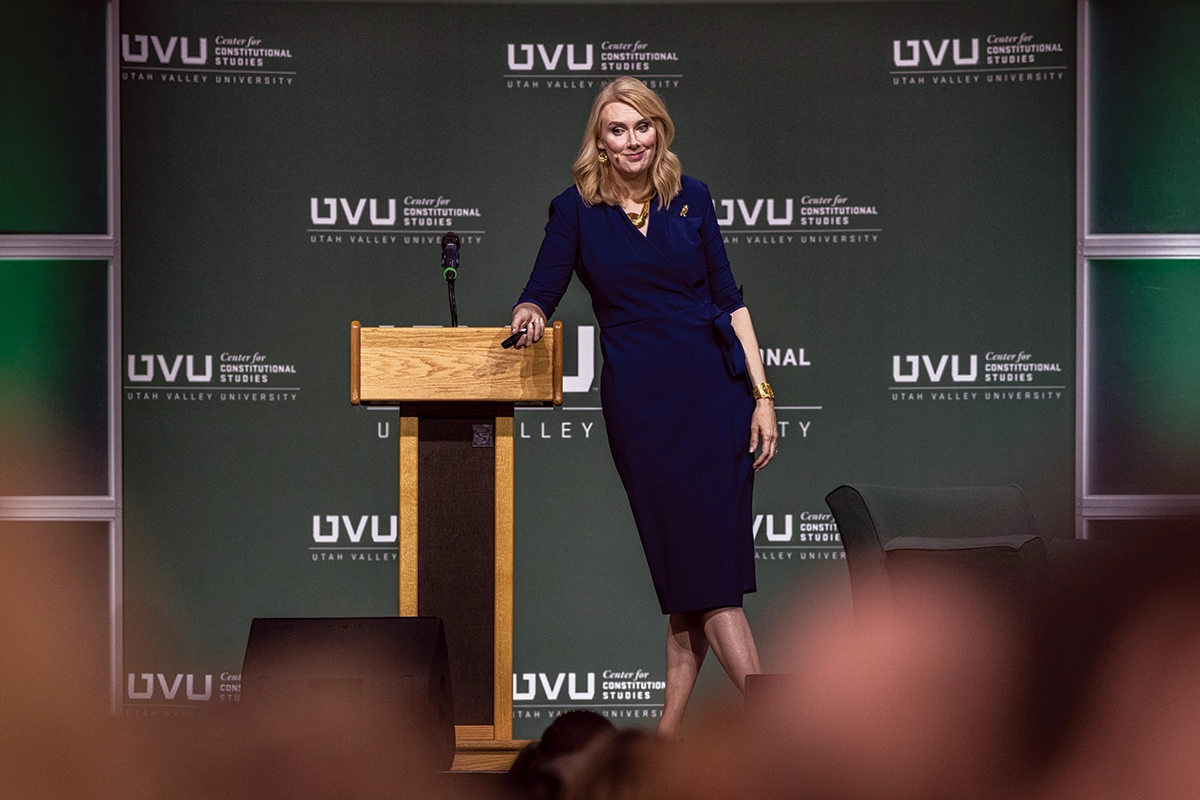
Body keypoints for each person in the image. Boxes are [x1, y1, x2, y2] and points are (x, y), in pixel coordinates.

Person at [510, 77, 777, 736]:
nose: (632, 140)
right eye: (617, 129)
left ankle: (664, 741)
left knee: (701, 581)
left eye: (642, 126)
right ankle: (780, 725)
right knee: (700, 575)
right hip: (646, 408)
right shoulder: (575, 210)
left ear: (660, 129)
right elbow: (539, 291)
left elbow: (729, 299)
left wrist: (762, 395)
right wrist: (528, 317)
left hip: (716, 394)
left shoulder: (693, 198)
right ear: (598, 140)